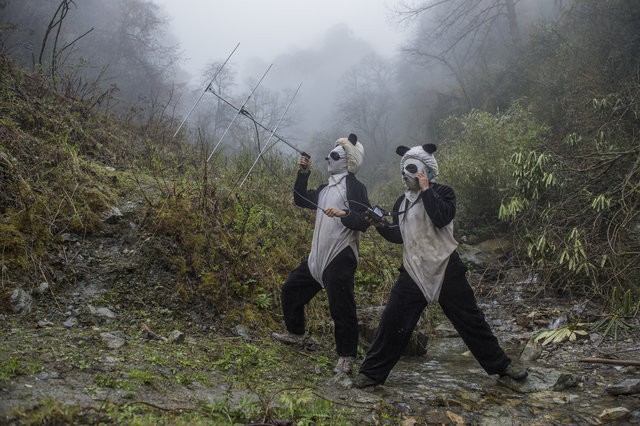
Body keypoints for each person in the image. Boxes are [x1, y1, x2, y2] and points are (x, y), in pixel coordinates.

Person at [353, 143, 527, 388]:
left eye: (411, 168)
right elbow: (400, 235)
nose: (406, 174)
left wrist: (426, 189)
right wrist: (381, 226)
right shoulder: (401, 202)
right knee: (393, 321)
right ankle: (371, 374)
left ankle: (502, 366)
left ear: (426, 169)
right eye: (404, 169)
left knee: (470, 320)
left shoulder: (444, 192)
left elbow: (441, 217)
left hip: (446, 266)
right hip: (414, 268)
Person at [272, 134, 370, 375]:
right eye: (330, 154)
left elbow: (364, 222)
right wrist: (303, 172)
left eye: (335, 155)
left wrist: (344, 214)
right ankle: (296, 333)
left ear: (348, 160)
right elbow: (300, 199)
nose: (329, 158)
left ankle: (346, 357)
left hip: (341, 255)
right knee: (291, 289)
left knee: (342, 308)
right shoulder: (326, 188)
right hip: (318, 255)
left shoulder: (356, 188)